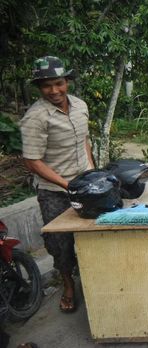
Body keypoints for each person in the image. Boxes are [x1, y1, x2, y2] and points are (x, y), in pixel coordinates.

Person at [20, 56, 95, 314]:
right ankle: (68, 285)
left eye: (58, 83)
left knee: (93, 236)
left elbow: (84, 140)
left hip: (85, 184)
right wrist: (67, 184)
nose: (54, 90)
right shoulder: (36, 117)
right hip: (54, 192)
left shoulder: (80, 106)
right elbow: (32, 161)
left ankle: (95, 282)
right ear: (39, 88)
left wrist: (93, 173)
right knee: (60, 244)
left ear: (67, 82)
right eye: (46, 86)